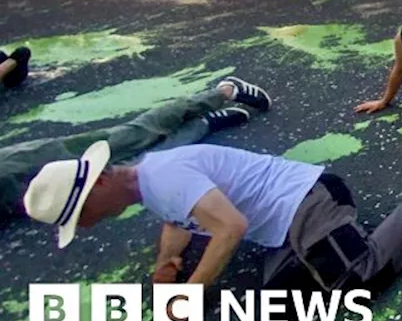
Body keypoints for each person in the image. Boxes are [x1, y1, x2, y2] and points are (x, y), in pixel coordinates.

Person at [24, 139, 402, 295]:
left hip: (307, 199)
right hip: (283, 222)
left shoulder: (165, 176)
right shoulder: (150, 182)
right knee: (283, 297)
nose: (85, 226)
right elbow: (175, 221)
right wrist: (166, 265)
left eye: (80, 216)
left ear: (99, 183)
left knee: (357, 282)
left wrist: (192, 292)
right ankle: (349, 240)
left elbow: (231, 228)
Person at [2, 77, 268, 220]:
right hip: (15, 189)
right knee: (140, 167)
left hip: (10, 167)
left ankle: (223, 92)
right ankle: (203, 124)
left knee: (126, 139)